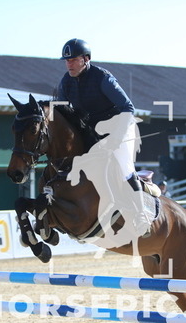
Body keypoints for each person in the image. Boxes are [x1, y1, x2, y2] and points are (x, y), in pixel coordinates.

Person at [57, 38, 150, 236]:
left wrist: (116, 138)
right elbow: (62, 114)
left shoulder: (102, 78)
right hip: (93, 131)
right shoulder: (66, 82)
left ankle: (141, 213)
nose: (69, 64)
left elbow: (128, 107)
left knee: (123, 165)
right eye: (66, 61)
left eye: (73, 60)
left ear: (85, 59)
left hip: (120, 126)